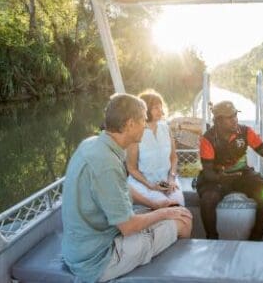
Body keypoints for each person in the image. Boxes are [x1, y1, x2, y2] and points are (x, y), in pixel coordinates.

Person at [61, 93, 192, 283]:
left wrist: (155, 205)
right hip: (100, 259)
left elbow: (121, 187)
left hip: (80, 247)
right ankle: (178, 274)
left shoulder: (91, 144)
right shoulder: (107, 164)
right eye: (142, 121)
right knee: (184, 218)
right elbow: (128, 226)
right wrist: (165, 214)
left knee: (170, 210)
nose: (145, 126)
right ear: (130, 124)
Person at [197, 100, 263, 240]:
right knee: (207, 200)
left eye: (235, 115)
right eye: (230, 117)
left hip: (242, 174)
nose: (235, 120)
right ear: (218, 121)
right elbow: (208, 172)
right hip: (217, 177)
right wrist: (221, 178)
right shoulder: (208, 139)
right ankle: (212, 239)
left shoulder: (245, 131)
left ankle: (256, 236)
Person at [127, 89, 185, 206]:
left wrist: (171, 179)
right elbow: (131, 168)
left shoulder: (165, 128)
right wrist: (151, 186)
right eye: (155, 108)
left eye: (160, 107)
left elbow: (173, 158)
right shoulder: (136, 132)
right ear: (145, 109)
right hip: (144, 183)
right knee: (166, 204)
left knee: (179, 204)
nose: (160, 111)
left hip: (166, 181)